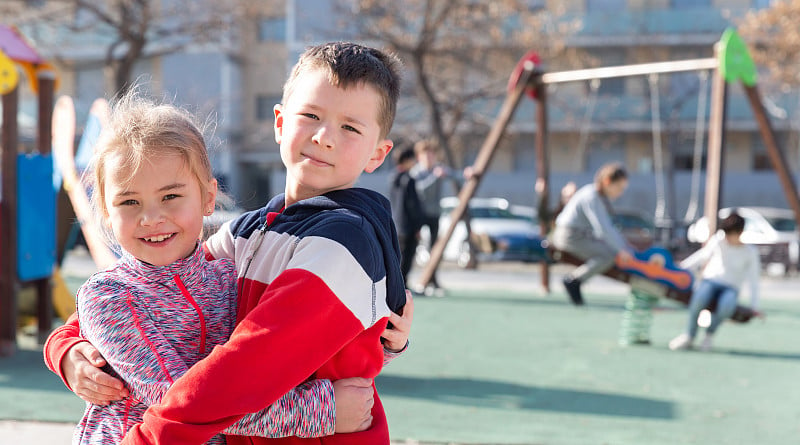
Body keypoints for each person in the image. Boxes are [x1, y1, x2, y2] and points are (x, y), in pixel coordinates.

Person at [45, 42, 413, 444]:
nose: (324, 137)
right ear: (280, 122)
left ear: (378, 154)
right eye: (311, 115)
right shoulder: (246, 235)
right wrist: (65, 348)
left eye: (350, 127)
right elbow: (141, 290)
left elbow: (243, 370)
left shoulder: (345, 243)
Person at [668, 211, 761, 352]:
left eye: (731, 234)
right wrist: (681, 268)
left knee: (727, 306)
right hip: (711, 281)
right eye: (726, 234)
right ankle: (689, 335)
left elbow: (754, 279)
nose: (728, 238)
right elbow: (702, 256)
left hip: (731, 287)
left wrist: (754, 305)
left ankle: (708, 335)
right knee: (699, 298)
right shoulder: (719, 241)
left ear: (740, 232)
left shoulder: (750, 251)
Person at [550, 162, 634, 306]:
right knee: (609, 255)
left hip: (577, 235)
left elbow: (608, 229)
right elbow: (603, 229)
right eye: (619, 188)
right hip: (569, 236)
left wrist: (625, 247)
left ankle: (575, 281)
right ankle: (574, 280)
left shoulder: (596, 196)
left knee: (610, 251)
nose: (620, 193)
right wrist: (622, 250)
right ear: (607, 181)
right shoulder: (592, 196)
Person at [409, 138, 472, 295]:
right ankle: (406, 280)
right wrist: (435, 177)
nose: (430, 159)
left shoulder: (438, 168)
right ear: (420, 157)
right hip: (419, 214)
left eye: (432, 155)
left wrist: (465, 174)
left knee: (435, 248)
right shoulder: (416, 172)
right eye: (426, 156)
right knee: (411, 247)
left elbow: (454, 175)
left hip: (434, 213)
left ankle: (433, 280)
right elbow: (421, 190)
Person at [389, 146, 425, 286]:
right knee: (407, 257)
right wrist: (418, 225)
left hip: (397, 224)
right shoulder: (409, 179)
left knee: (398, 257)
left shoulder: (393, 178)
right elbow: (412, 205)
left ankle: (396, 285)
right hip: (409, 225)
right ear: (407, 160)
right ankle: (403, 285)